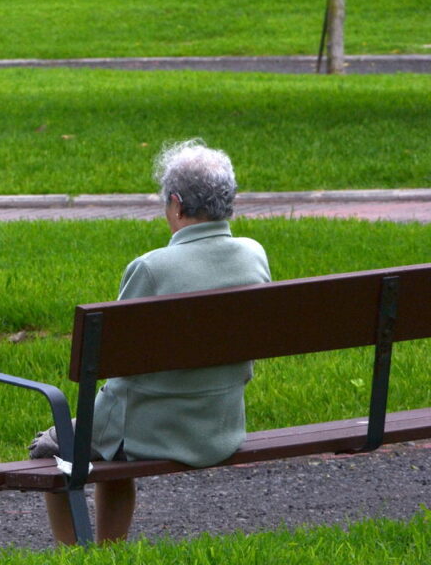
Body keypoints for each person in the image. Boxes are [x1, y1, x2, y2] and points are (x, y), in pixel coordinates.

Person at [28, 139, 272, 544]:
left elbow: (115, 367)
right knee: (106, 444)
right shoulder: (253, 254)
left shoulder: (151, 268)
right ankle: (110, 550)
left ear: (176, 204)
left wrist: (79, 429)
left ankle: (79, 556)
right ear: (230, 202)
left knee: (51, 452)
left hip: (152, 432)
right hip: (220, 426)